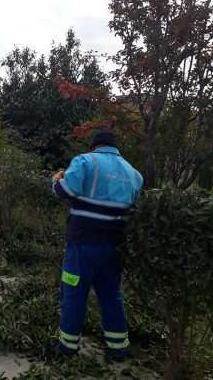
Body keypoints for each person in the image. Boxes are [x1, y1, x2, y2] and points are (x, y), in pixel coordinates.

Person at [52, 131, 143, 361]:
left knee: (73, 294)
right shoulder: (135, 175)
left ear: (94, 147)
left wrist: (56, 181)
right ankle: (118, 348)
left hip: (82, 246)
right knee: (111, 294)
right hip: (114, 248)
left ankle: (67, 348)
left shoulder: (84, 161)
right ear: (115, 148)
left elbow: (65, 191)